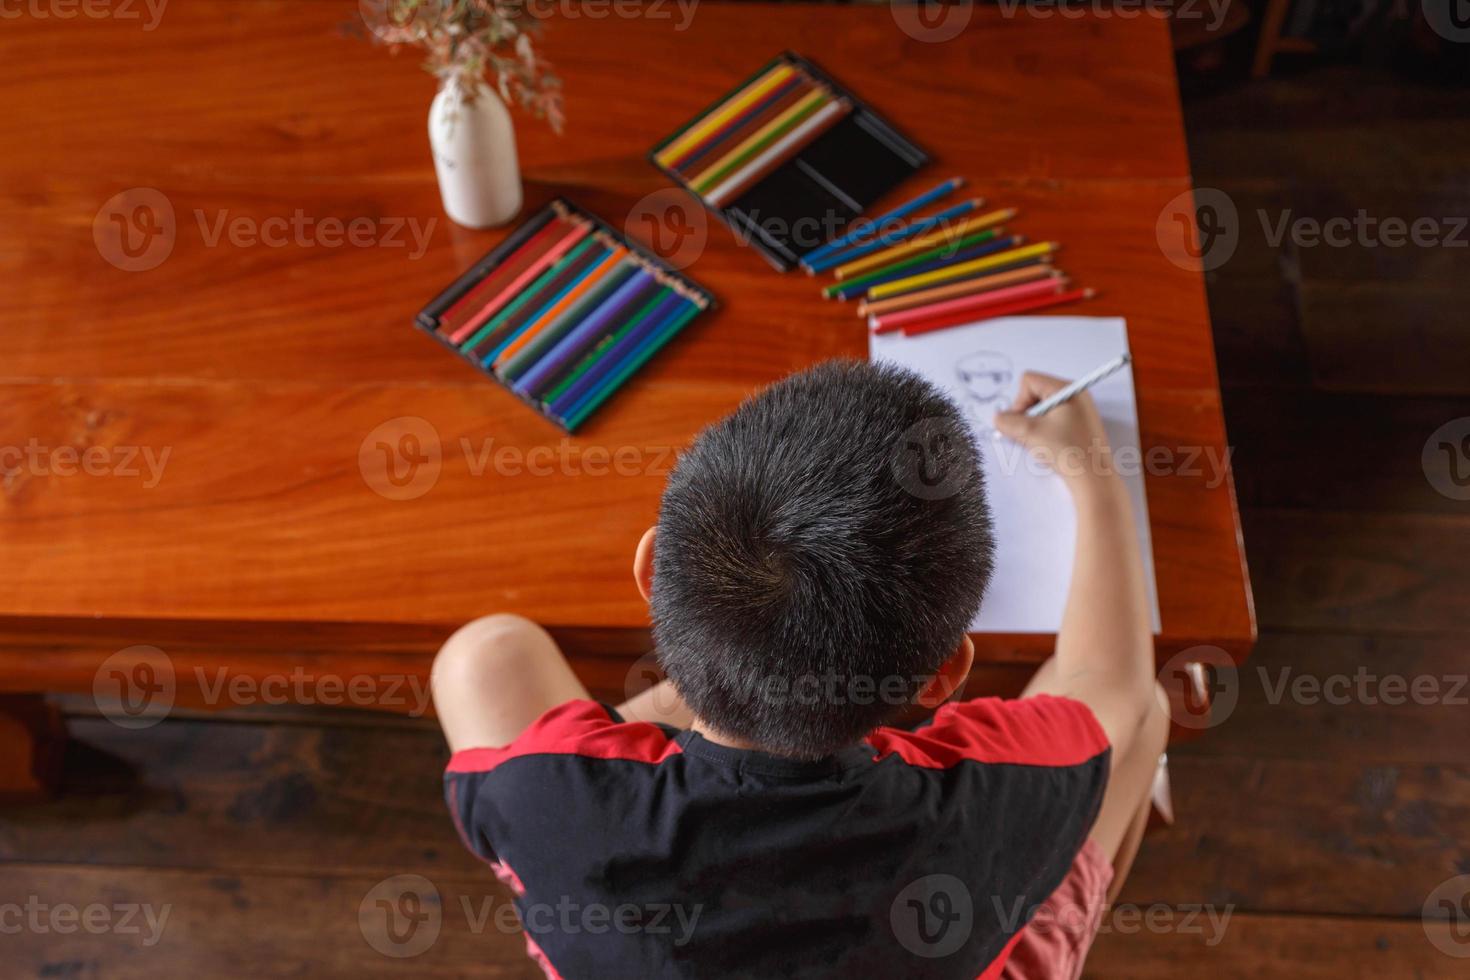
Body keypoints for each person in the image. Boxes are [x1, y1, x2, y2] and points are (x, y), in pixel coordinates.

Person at [433, 359, 1168, 979]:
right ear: (944, 676)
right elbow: (1113, 683)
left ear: (653, 571)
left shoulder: (539, 792)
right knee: (1152, 713)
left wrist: (715, 674)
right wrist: (1094, 473)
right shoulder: (984, 802)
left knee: (483, 658)